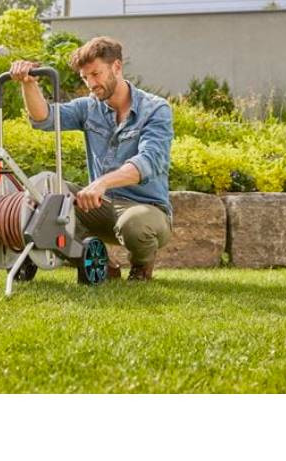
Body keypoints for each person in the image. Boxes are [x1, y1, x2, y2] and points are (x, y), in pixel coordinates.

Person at [10, 35, 173, 281]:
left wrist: (102, 183)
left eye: (96, 74)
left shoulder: (155, 109)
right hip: (99, 206)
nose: (91, 84)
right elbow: (44, 118)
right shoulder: (89, 107)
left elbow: (149, 162)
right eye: (85, 77)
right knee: (44, 195)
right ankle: (100, 263)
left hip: (146, 209)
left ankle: (141, 265)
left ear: (116, 67)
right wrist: (28, 83)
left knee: (134, 224)